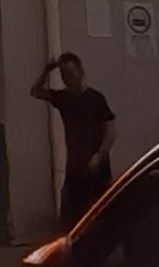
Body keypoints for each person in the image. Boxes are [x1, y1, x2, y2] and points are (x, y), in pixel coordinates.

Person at [32, 48, 115, 228]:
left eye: (69, 72)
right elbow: (36, 91)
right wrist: (48, 70)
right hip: (75, 165)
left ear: (80, 72)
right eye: (63, 74)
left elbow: (110, 130)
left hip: (95, 165)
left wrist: (100, 154)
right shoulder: (63, 98)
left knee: (101, 208)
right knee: (72, 212)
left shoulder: (95, 98)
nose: (66, 78)